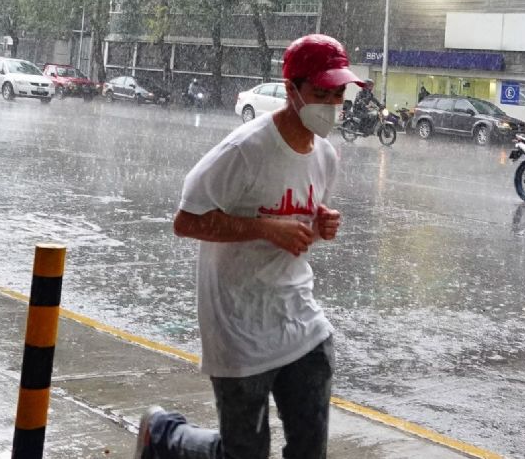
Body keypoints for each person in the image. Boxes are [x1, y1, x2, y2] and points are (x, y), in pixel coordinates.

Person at [134, 33, 363, 459]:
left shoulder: (326, 156)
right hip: (238, 324)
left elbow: (297, 215)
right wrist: (265, 229)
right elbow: (186, 221)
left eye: (338, 94)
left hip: (300, 319)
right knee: (243, 453)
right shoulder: (245, 149)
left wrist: (320, 223)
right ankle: (165, 435)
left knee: (311, 448)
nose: (332, 105)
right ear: (292, 90)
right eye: (321, 93)